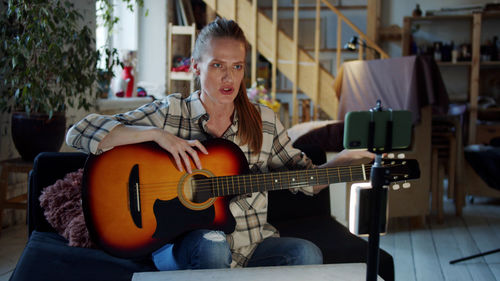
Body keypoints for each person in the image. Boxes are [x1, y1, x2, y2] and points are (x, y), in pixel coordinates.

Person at [66, 17, 373, 271]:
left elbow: (307, 180)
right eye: (217, 65)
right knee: (212, 244)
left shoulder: (263, 121)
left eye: (237, 66)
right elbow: (79, 132)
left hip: (252, 246)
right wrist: (157, 135)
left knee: (307, 255)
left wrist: (345, 159)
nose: (229, 77)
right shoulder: (172, 112)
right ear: (196, 67)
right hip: (181, 246)